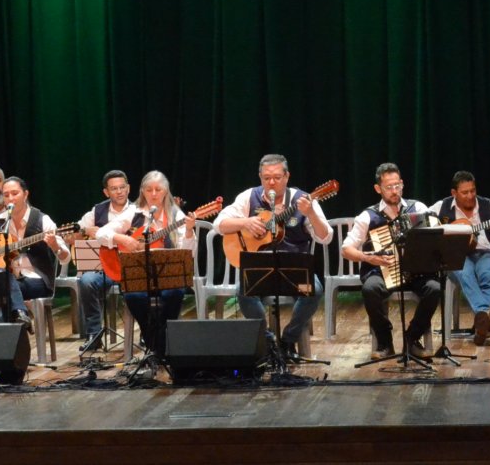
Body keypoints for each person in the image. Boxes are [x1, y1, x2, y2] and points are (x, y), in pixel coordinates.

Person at [213, 153, 332, 361]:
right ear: (260, 177)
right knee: (242, 290)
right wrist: (245, 223)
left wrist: (311, 213)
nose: (271, 182)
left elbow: (325, 237)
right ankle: (268, 342)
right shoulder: (249, 197)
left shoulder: (302, 199)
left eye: (277, 177)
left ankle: (288, 339)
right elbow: (219, 224)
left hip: (293, 267)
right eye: (266, 177)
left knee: (315, 290)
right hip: (260, 266)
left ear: (287, 177)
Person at [343, 163, 440, 360]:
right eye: (389, 187)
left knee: (434, 288)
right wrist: (368, 257)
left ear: (402, 184)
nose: (395, 191)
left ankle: (412, 338)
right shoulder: (368, 216)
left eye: (398, 185)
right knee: (370, 289)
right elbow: (346, 249)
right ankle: (385, 341)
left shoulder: (418, 208)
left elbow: (436, 235)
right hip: (382, 272)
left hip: (416, 271)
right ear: (378, 189)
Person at [99, 170, 196, 358]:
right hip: (139, 276)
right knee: (134, 296)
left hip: (168, 277)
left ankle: (157, 341)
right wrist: (123, 239)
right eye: (149, 190)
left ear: (166, 192)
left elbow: (189, 252)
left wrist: (190, 231)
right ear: (142, 192)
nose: (153, 194)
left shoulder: (176, 215)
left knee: (174, 293)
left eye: (158, 190)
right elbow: (101, 233)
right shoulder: (133, 212)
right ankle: (154, 338)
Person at [0, 176, 72, 329]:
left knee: (0, 285)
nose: (10, 198)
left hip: (36, 280)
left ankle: (7, 331)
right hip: (7, 280)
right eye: (6, 194)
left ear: (25, 194)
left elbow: (65, 259)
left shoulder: (42, 220)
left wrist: (55, 245)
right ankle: (18, 317)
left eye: (15, 193)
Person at [428, 171, 490, 346]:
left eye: (473, 191)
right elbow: (427, 230)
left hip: (486, 253)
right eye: (465, 192)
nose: (470, 196)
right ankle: (489, 320)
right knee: (463, 270)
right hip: (456, 255)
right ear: (454, 193)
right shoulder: (439, 208)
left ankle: (482, 322)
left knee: (488, 274)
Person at [76, 170, 135, 351]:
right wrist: (87, 230)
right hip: (104, 268)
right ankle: (94, 334)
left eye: (122, 187)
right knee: (86, 281)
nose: (119, 192)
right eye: (114, 189)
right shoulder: (97, 210)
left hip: (130, 268)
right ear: (106, 192)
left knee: (139, 285)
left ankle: (144, 335)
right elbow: (74, 234)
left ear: (128, 188)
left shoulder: (139, 210)